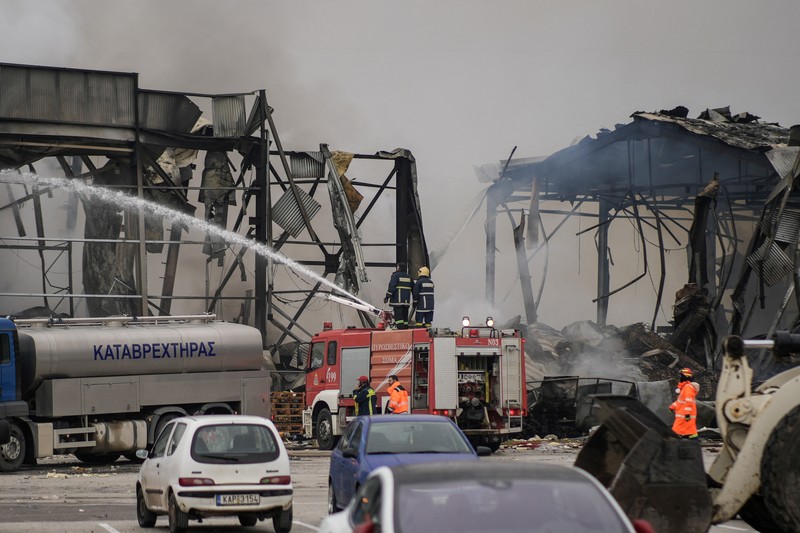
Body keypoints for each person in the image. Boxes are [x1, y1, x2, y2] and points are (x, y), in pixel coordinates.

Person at [669, 367, 698, 438]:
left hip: (685, 415)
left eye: (681, 376)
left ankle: (690, 441)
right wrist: (673, 406)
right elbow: (680, 402)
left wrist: (687, 413)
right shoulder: (685, 387)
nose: (680, 378)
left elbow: (689, 401)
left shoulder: (687, 387)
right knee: (689, 431)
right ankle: (692, 441)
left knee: (677, 431)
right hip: (684, 415)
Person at [384, 263, 413, 329]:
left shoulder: (395, 276)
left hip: (397, 302)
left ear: (398, 267)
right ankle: (405, 330)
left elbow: (391, 287)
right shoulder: (409, 277)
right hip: (406, 302)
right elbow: (413, 288)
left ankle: (401, 330)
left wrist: (387, 297)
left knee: (399, 319)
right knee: (405, 319)